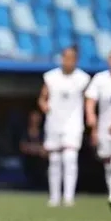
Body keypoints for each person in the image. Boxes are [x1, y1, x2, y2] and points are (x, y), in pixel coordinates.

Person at [37, 46, 90, 207]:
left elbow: (88, 99)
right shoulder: (51, 77)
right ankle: (54, 197)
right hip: (54, 123)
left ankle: (68, 197)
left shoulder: (83, 78)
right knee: (54, 160)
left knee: (70, 158)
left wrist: (89, 116)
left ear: (76, 60)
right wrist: (44, 106)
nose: (68, 61)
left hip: (73, 123)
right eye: (65, 58)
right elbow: (42, 98)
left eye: (71, 58)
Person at [85, 45, 111, 211]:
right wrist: (91, 117)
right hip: (105, 126)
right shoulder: (100, 79)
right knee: (109, 163)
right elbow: (90, 99)